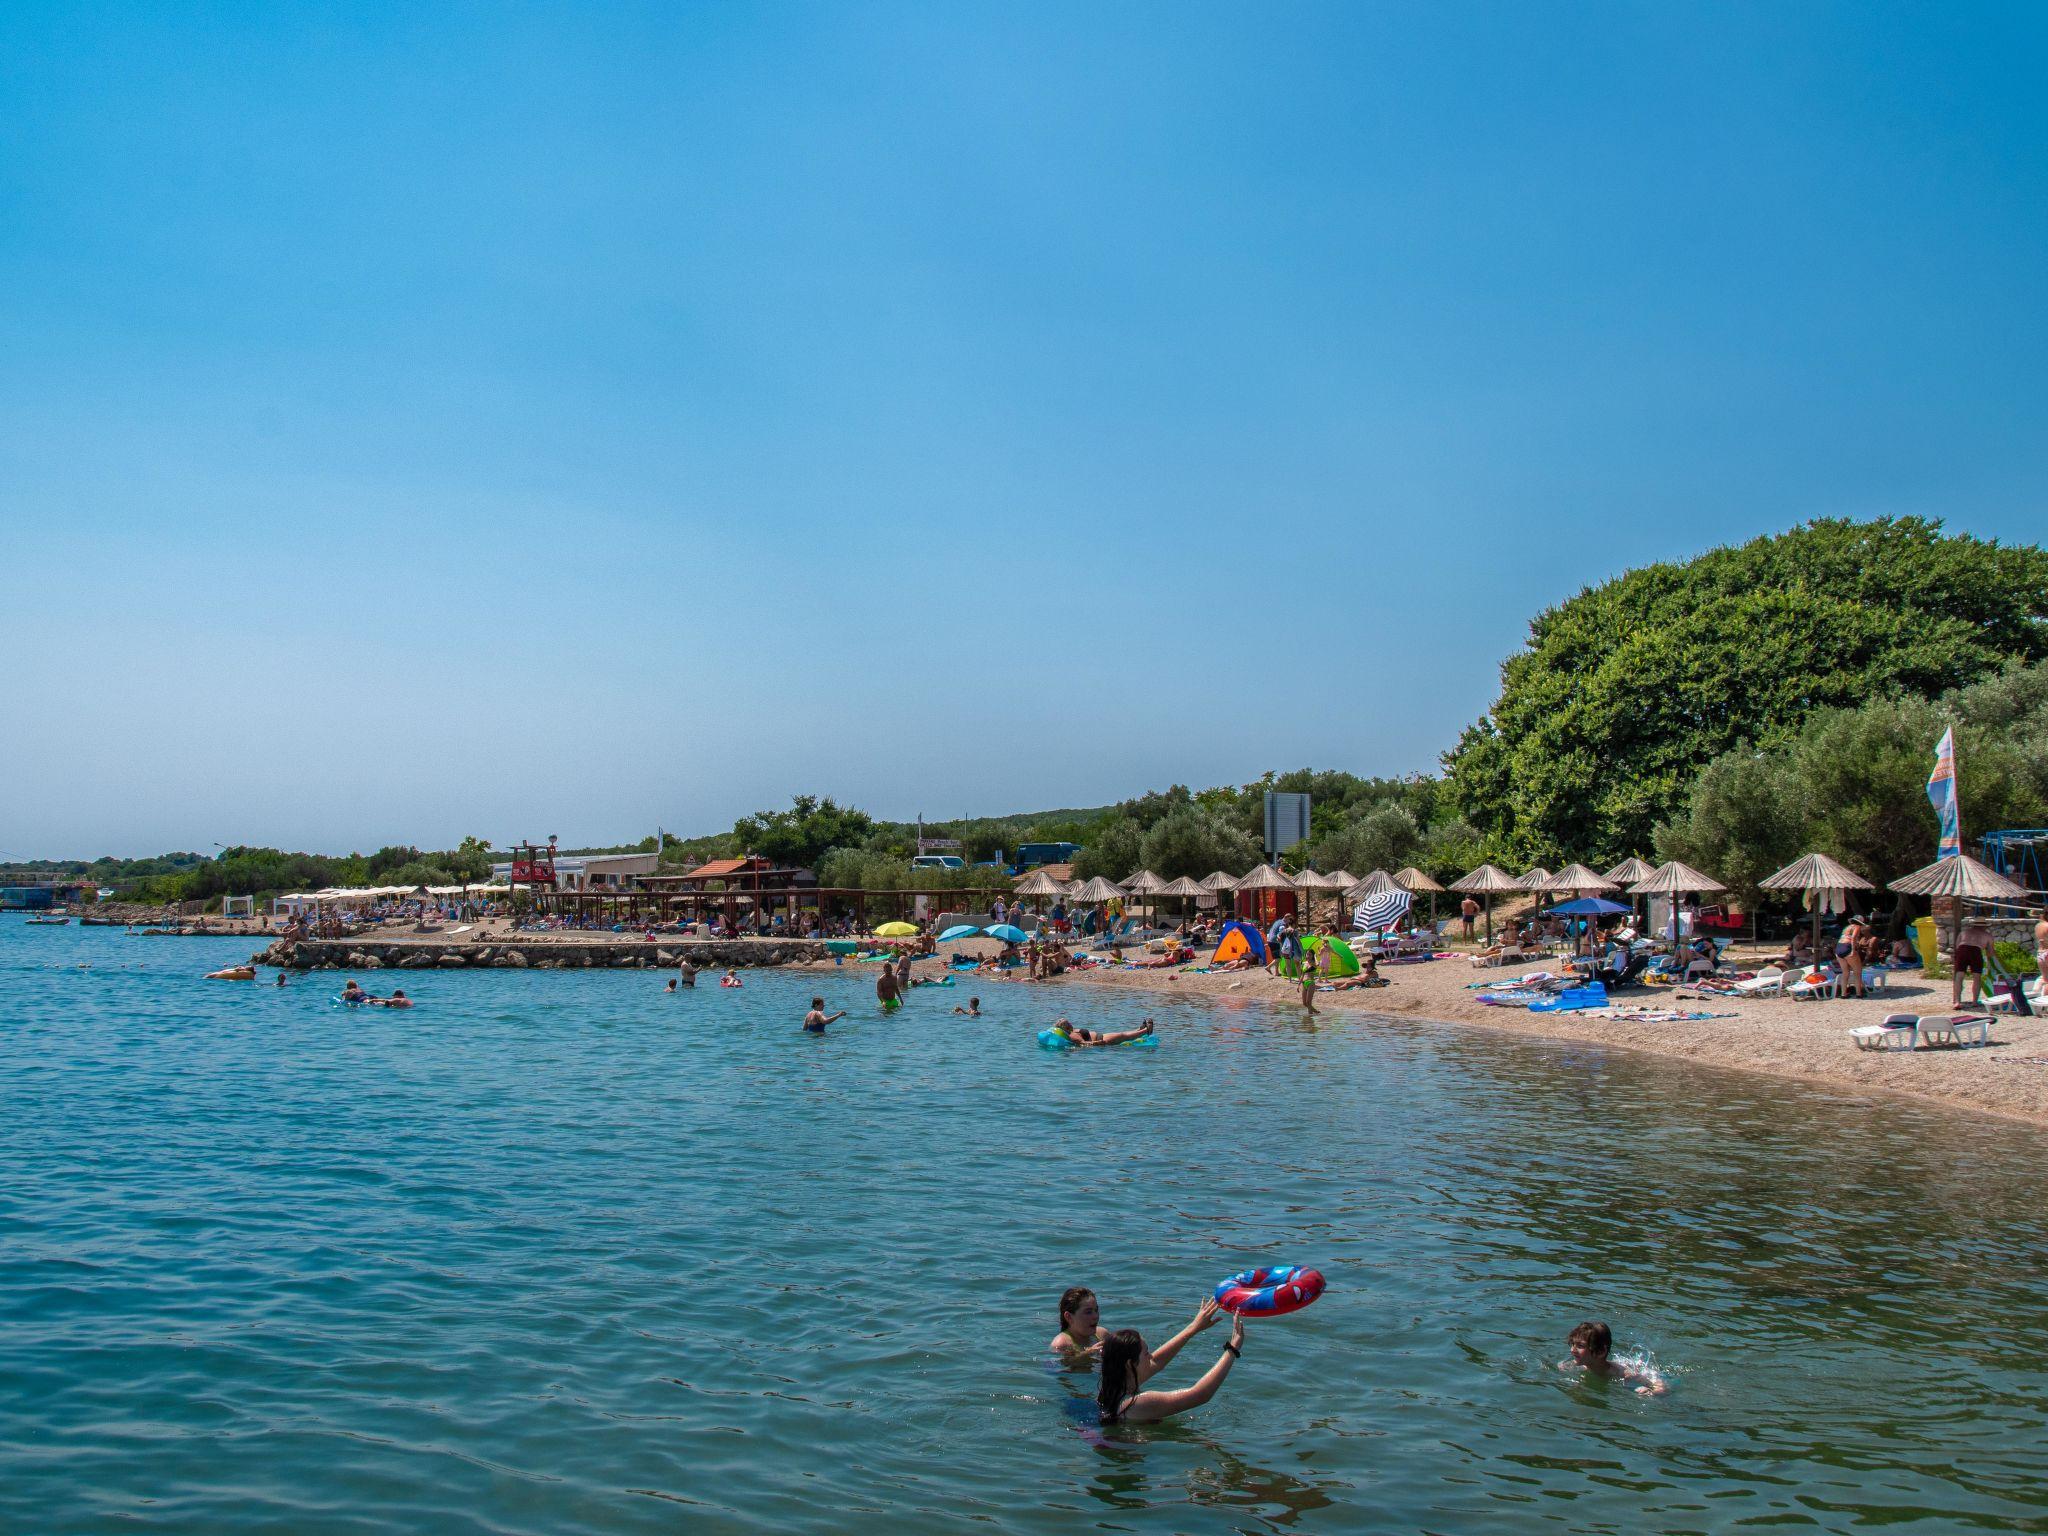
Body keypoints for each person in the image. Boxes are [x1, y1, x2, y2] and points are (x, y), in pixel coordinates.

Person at [1098, 1310, 1246, 1425]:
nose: (1151, 1357)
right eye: (1146, 1353)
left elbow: (1156, 1361)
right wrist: (1232, 1350)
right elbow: (1201, 1395)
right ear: (1130, 1364)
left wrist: (1193, 1328)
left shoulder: (1112, 1389)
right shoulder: (1140, 1403)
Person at [1052, 1290, 1223, 1363]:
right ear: (1069, 1316)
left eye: (1096, 1310)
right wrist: (1085, 1355)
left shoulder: (1101, 1333)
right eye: (1088, 1312)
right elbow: (1055, 1369)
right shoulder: (1062, 1343)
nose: (1095, 1316)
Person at [1562, 1321, 1666, 1396]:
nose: (1572, 1350)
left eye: (1580, 1346)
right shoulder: (1579, 1364)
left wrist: (1652, 1392)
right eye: (1572, 1344)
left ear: (1601, 1352)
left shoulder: (1623, 1374)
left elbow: (1660, 1386)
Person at [1954, 914, 1995, 1008]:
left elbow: (1957, 946)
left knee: (1959, 976)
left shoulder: (1964, 932)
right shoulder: (1987, 935)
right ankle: (1975, 1001)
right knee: (1977, 977)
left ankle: (1957, 1001)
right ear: (1984, 926)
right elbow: (1990, 953)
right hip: (1976, 951)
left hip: (1962, 949)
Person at [1054, 1017, 1154, 1047]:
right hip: (1102, 1040)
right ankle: (1146, 1031)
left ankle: (1140, 1029)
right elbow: (1083, 1043)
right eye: (1068, 1023)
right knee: (1124, 1036)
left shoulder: (1072, 1032)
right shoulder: (1072, 1035)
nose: (1070, 1024)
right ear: (1066, 1027)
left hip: (1101, 1036)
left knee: (1123, 1034)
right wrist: (1097, 1043)